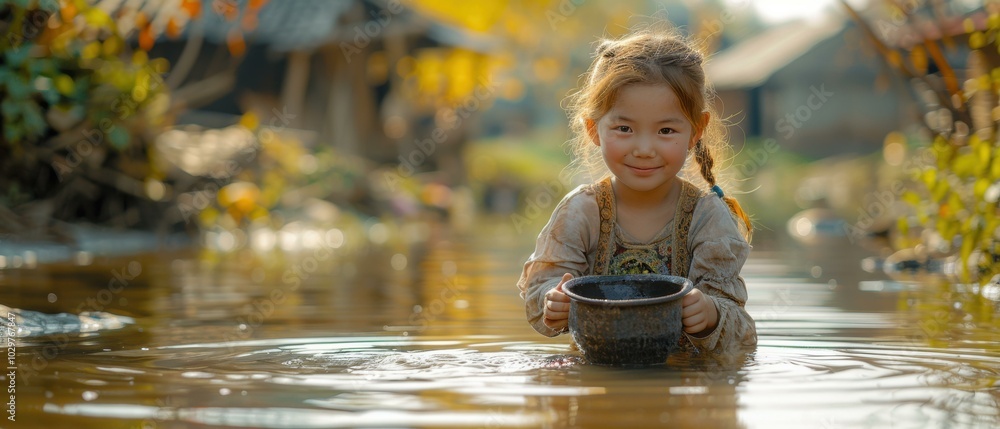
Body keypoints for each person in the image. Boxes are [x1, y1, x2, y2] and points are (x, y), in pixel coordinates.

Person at [517, 28, 757, 353]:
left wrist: (711, 314)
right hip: (598, 386)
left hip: (683, 387)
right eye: (625, 129)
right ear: (594, 129)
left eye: (666, 130)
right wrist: (554, 301)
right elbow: (541, 290)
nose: (644, 148)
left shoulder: (707, 217)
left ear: (696, 131)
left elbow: (742, 336)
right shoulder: (581, 212)